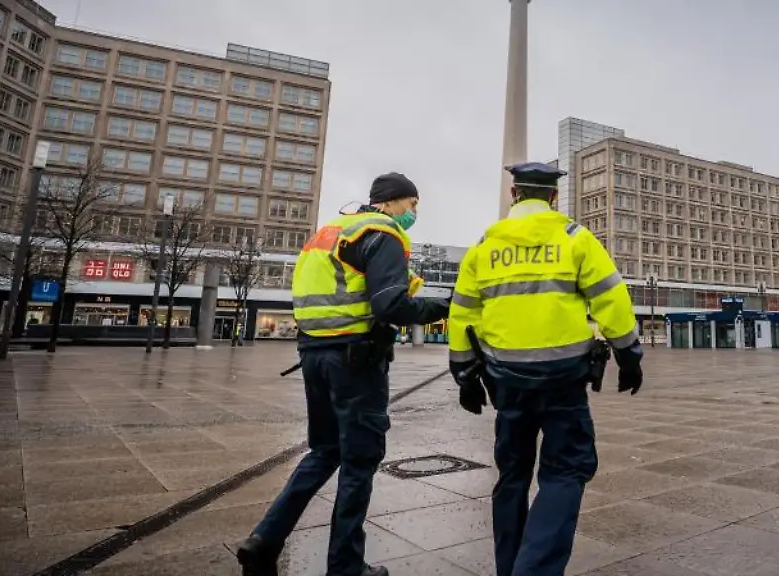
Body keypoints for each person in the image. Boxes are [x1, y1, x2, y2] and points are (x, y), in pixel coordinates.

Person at [237, 172, 450, 576]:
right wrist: (446, 305)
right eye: (412, 204)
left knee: (324, 451)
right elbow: (391, 306)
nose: (414, 212)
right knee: (359, 460)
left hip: (314, 354)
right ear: (391, 201)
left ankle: (264, 541)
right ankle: (346, 567)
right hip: (355, 360)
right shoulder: (384, 232)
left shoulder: (332, 231)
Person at [447, 162, 644, 576]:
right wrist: (629, 357)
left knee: (513, 476)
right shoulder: (575, 238)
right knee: (566, 470)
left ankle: (510, 566)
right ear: (554, 197)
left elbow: (463, 313)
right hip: (563, 382)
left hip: (506, 382)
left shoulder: (485, 244)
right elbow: (612, 299)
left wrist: (464, 374)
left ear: (514, 194)